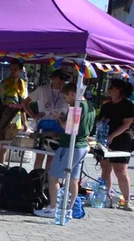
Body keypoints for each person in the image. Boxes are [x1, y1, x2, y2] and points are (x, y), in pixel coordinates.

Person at [35, 83, 95, 219]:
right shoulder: (90, 106)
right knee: (73, 179)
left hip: (70, 146)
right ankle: (69, 209)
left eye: (65, 97)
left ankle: (54, 208)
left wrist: (58, 117)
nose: (65, 100)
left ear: (73, 94)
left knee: (53, 176)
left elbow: (69, 127)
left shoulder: (76, 106)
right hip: (81, 146)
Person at [98, 78, 134, 210]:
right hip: (105, 139)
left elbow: (127, 124)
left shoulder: (128, 105)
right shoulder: (106, 105)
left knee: (121, 170)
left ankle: (127, 200)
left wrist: (113, 135)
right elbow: (101, 121)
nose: (110, 91)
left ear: (120, 91)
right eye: (110, 89)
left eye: (113, 89)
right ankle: (105, 196)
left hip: (122, 139)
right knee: (105, 168)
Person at [26, 69, 69, 170]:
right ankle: (36, 177)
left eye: (64, 80)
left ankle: (47, 180)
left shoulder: (66, 92)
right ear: (53, 78)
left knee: (52, 155)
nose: (62, 82)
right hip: (43, 124)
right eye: (60, 79)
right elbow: (25, 102)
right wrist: (33, 116)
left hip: (58, 125)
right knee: (40, 155)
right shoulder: (42, 89)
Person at [0, 61, 28, 163]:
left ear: (20, 70)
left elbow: (23, 104)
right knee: (3, 146)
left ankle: (0, 166)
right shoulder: (4, 83)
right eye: (11, 69)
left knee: (6, 147)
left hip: (16, 119)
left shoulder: (22, 84)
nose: (12, 71)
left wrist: (25, 122)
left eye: (15, 69)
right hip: (5, 117)